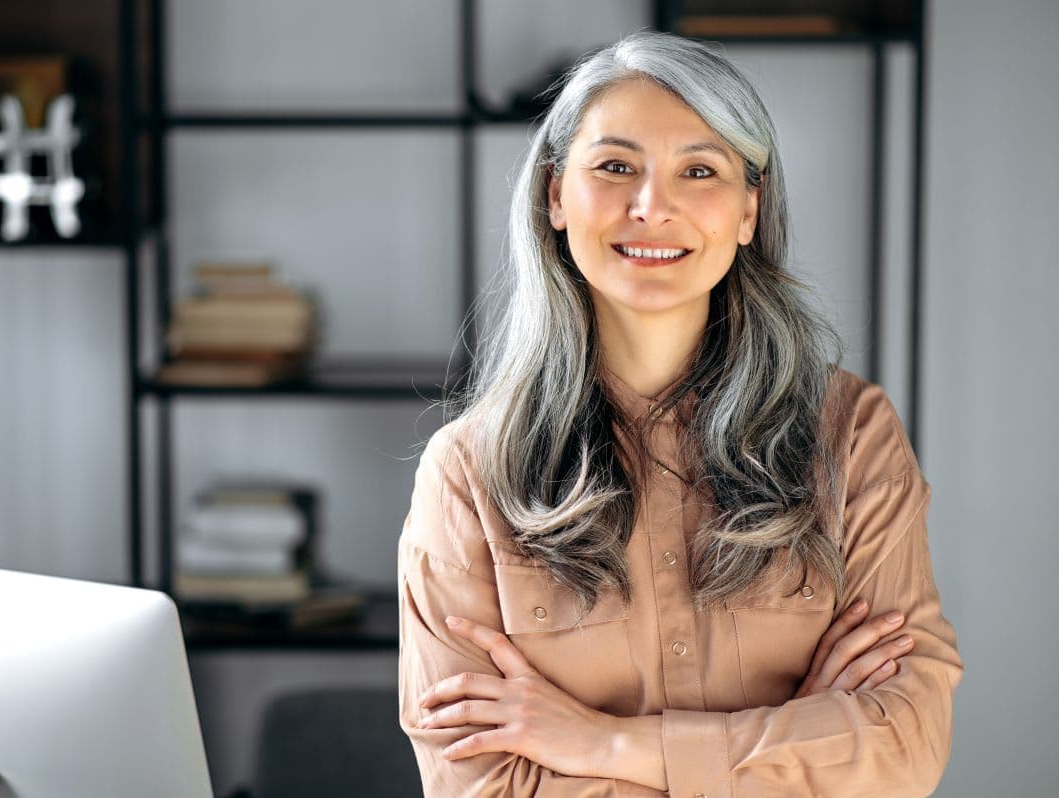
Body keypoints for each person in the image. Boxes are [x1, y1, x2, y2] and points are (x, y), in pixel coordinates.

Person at [397, 30, 962, 797]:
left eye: (699, 170)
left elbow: (907, 747)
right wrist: (804, 732)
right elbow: (483, 786)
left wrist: (601, 743)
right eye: (616, 167)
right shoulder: (469, 474)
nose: (651, 206)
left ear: (747, 210)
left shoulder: (851, 434)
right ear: (556, 196)